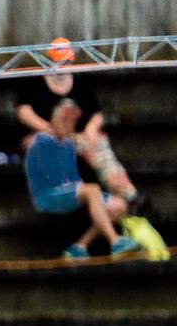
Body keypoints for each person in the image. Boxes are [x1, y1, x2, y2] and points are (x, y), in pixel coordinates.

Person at [15, 43, 147, 212]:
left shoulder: (81, 82)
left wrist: (90, 129)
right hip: (47, 135)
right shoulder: (34, 81)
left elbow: (97, 114)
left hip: (79, 137)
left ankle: (128, 194)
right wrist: (50, 128)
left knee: (98, 145)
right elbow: (24, 112)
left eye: (66, 61)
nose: (62, 65)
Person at [25, 97, 134, 259]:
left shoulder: (68, 142)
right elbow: (55, 179)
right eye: (65, 120)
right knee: (92, 190)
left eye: (72, 122)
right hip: (47, 194)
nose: (69, 125)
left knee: (120, 206)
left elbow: (76, 172)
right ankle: (115, 240)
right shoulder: (42, 141)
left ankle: (79, 246)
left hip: (69, 190)